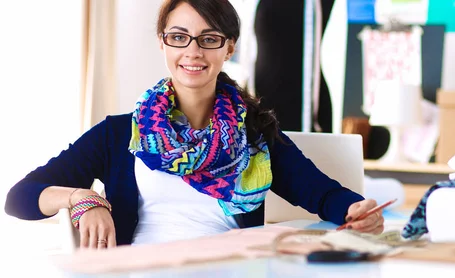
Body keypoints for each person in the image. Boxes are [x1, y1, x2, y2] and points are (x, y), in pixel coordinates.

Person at [4, 0, 384, 249]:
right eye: (179, 37)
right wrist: (80, 198)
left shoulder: (255, 135)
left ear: (229, 47)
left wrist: (358, 210)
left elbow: (323, 195)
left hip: (230, 270)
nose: (193, 51)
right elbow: (19, 197)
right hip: (138, 270)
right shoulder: (118, 133)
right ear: (163, 43)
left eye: (209, 39)